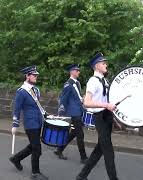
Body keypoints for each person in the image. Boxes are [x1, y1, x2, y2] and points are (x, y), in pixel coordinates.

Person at [76, 52, 118, 180]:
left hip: (107, 116)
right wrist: (105, 105)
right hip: (100, 117)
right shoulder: (93, 81)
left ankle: (82, 176)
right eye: (103, 62)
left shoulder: (105, 80)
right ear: (96, 66)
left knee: (99, 150)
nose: (106, 64)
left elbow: (108, 102)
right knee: (108, 152)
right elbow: (87, 102)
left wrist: (115, 119)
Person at [9, 65, 49, 180]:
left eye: (36, 75)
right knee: (37, 148)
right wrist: (15, 125)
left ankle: (16, 158)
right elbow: (16, 109)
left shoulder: (36, 90)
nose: (36, 77)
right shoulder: (21, 92)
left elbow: (37, 106)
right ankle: (35, 173)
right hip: (30, 124)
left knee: (33, 146)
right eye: (34, 75)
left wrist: (45, 114)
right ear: (27, 76)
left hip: (38, 122)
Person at [54, 64, 88, 163]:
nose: (79, 72)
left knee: (74, 133)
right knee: (80, 135)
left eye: (78, 71)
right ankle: (83, 157)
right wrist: (60, 114)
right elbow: (63, 99)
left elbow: (77, 97)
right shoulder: (68, 84)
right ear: (72, 72)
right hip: (74, 113)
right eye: (77, 71)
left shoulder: (77, 83)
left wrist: (83, 99)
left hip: (79, 111)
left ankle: (59, 149)